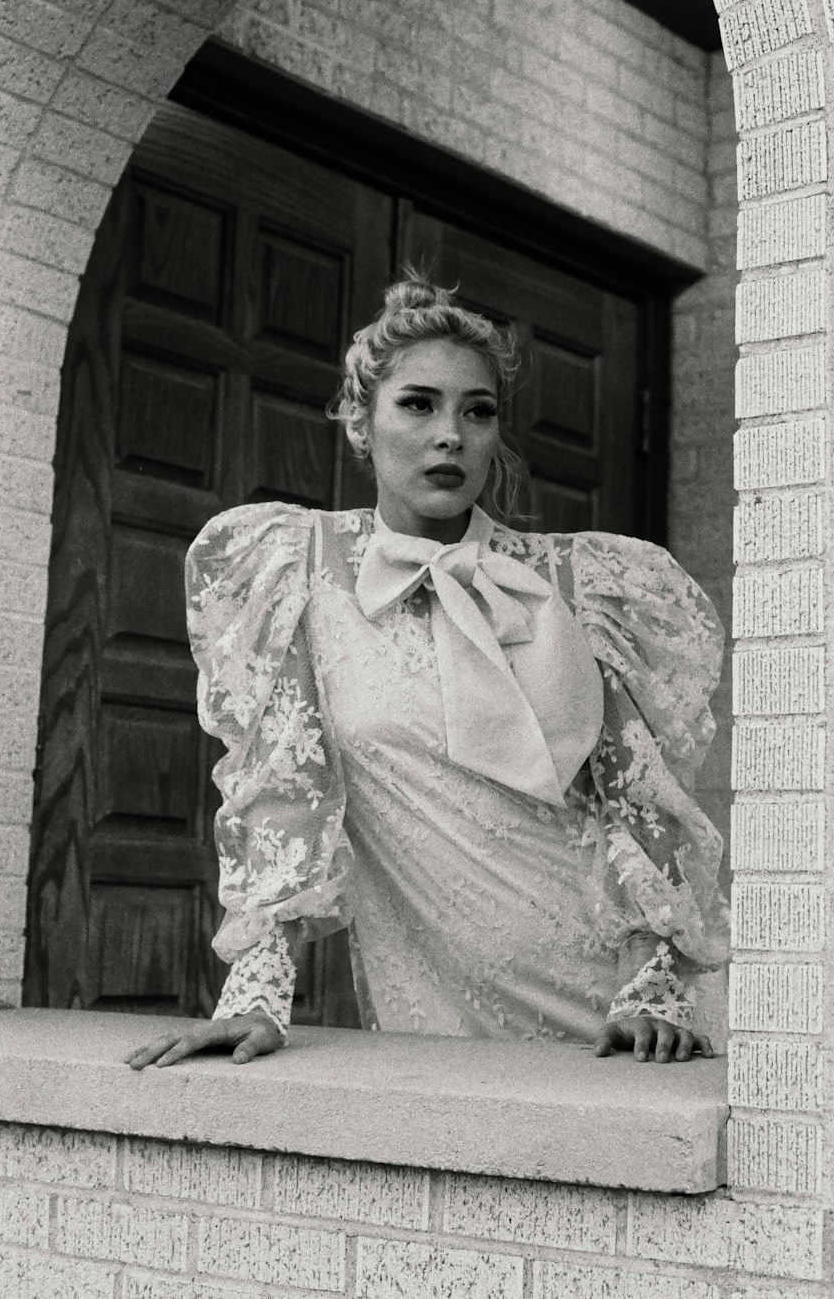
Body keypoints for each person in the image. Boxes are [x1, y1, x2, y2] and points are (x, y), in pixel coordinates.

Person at [127, 277, 729, 1072]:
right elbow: (285, 797)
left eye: (478, 411)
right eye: (418, 404)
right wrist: (256, 992)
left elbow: (640, 804)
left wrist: (655, 986)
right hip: (437, 1009)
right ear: (360, 423)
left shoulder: (581, 583)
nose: (451, 434)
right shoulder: (295, 571)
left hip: (623, 1018)